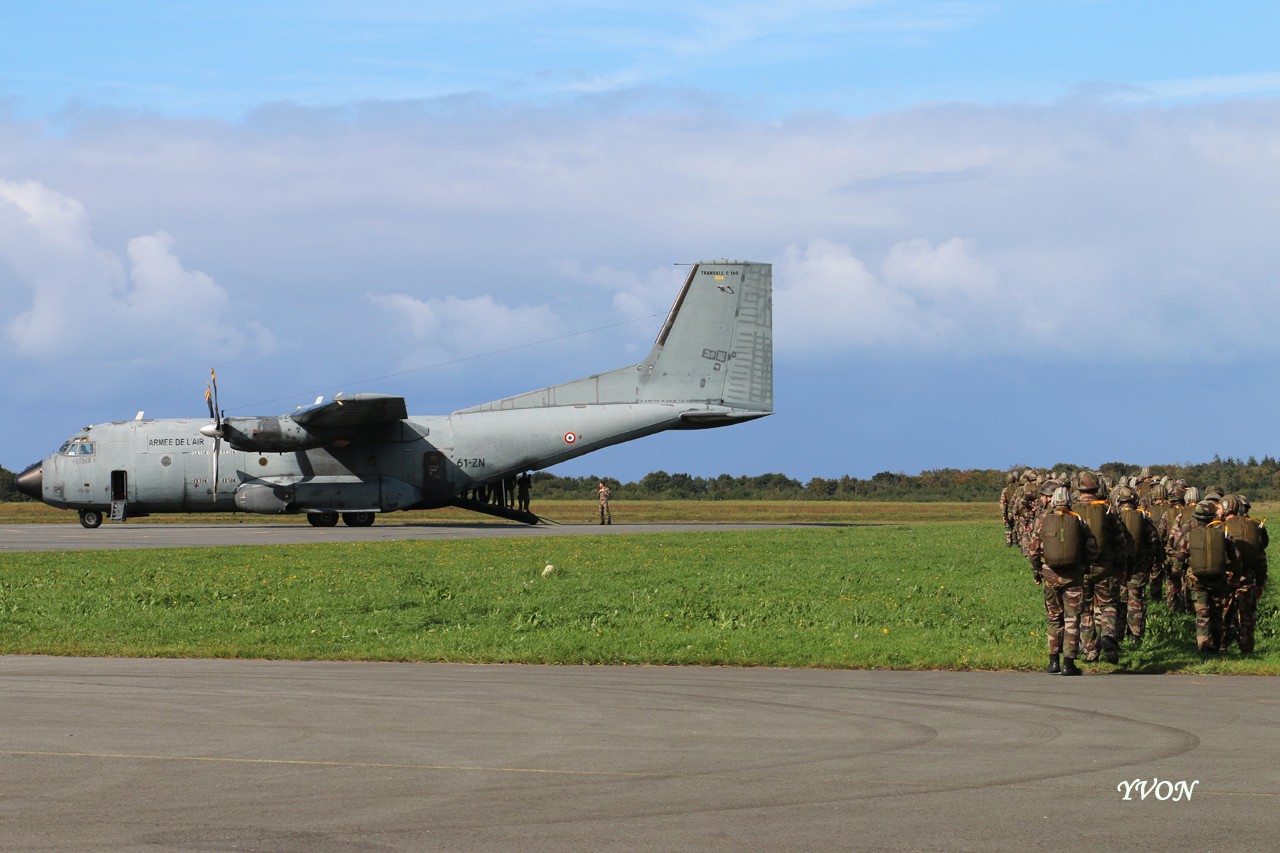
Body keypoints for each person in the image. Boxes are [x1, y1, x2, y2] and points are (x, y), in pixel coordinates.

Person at [1028, 486, 1098, 676]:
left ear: (1052, 501)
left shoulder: (1042, 520)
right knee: (1072, 619)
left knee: (1053, 617)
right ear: (1069, 501)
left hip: (1049, 576)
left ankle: (1053, 662)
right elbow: (1092, 548)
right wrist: (1085, 566)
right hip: (1074, 577)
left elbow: (1033, 550)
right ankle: (1069, 663)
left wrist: (1037, 569)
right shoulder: (1078, 520)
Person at [1073, 471, 1134, 664]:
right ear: (1096, 487)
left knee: (1084, 609)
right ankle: (1108, 635)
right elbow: (1121, 541)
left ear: (1079, 488)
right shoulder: (1109, 511)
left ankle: (1091, 650)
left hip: (1080, 571)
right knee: (1108, 605)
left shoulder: (1072, 511)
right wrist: (1122, 566)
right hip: (1105, 569)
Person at [1168, 500, 1238, 654]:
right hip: (1218, 579)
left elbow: (1179, 557)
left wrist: (1175, 575)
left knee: (1202, 613)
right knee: (1217, 612)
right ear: (1212, 517)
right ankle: (1217, 645)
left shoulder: (1189, 535)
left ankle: (1204, 646)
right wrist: (1232, 571)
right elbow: (1235, 556)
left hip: (1196, 580)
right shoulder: (1223, 533)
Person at [1113, 486, 1160, 644]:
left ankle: (1117, 635)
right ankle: (1135, 636)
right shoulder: (1143, 519)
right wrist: (1148, 561)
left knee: (1119, 601)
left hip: (1118, 569)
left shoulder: (1114, 518)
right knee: (1136, 601)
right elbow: (1154, 541)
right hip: (1138, 568)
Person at [1220, 495, 1268, 653]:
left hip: (1227, 576)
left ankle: (1222, 646)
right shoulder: (1252, 526)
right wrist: (1260, 583)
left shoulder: (1220, 527)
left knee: (1223, 612)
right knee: (1246, 614)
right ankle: (1246, 649)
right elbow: (1261, 558)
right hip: (1247, 577)